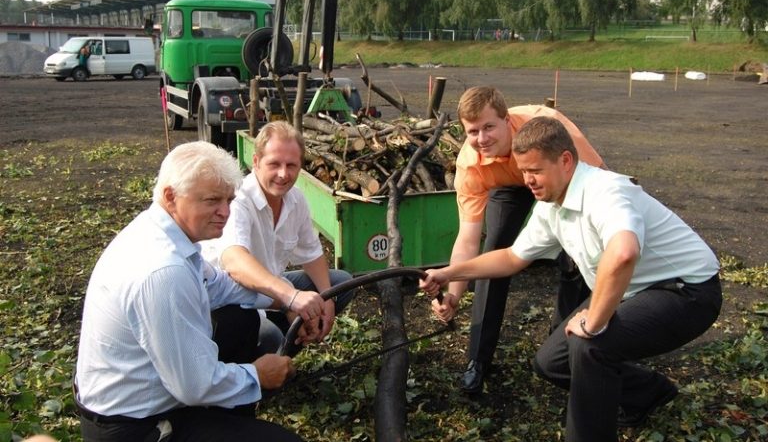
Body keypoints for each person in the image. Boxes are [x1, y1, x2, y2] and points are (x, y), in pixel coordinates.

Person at [421, 116, 722, 442]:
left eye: (535, 171)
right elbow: (511, 258)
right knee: (551, 362)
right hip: (633, 288)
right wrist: (449, 273)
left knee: (589, 344)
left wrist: (593, 322)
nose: (527, 181)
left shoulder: (605, 191)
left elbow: (624, 253)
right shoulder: (550, 204)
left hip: (686, 291)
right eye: (523, 171)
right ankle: (647, 393)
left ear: (565, 160)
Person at [74, 141, 303, 442]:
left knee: (239, 320)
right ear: (171, 196)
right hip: (134, 426)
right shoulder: (164, 271)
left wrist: (286, 299)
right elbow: (195, 385)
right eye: (212, 201)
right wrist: (257, 375)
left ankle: (228, 419)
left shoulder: (161, 233)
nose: (225, 212)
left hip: (149, 397)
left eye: (229, 200)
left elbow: (218, 285)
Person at [436, 86, 605, 394]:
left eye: (489, 127)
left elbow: (599, 182)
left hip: (555, 180)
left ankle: (561, 350)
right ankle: (478, 360)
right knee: (494, 251)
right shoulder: (471, 164)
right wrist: (454, 294)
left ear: (507, 120)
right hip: (506, 182)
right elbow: (468, 240)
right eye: (473, 131)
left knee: (573, 255)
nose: (482, 139)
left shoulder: (550, 131)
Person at [203, 121, 354, 355]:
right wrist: (290, 300)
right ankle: (259, 364)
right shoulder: (239, 199)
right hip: (228, 299)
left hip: (273, 290)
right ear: (256, 162)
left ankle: (285, 349)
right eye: (274, 164)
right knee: (268, 336)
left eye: (291, 165)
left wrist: (327, 301)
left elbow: (312, 254)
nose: (283, 174)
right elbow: (234, 263)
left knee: (339, 285)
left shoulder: (296, 199)